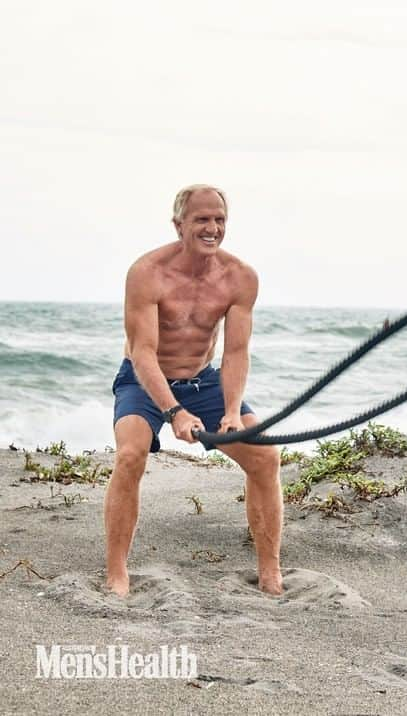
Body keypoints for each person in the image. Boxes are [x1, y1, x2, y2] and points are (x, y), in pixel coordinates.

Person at [105, 184, 283, 597]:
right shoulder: (147, 273)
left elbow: (237, 352)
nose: (212, 228)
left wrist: (232, 411)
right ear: (179, 224)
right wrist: (173, 412)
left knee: (265, 457)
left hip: (203, 380)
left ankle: (270, 570)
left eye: (219, 220)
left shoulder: (240, 277)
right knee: (130, 455)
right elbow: (144, 353)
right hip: (143, 378)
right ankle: (117, 572)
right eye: (202, 219)